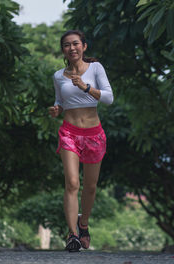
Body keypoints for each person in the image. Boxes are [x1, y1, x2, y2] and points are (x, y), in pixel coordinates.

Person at [48, 30, 114, 252]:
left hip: (93, 134)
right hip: (69, 133)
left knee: (91, 187)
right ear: (63, 50)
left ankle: (83, 224)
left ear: (84, 46)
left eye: (76, 44)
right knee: (72, 183)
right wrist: (56, 108)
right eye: (67, 45)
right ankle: (72, 235)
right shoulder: (58, 76)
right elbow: (60, 100)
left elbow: (109, 98)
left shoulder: (95, 68)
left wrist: (86, 87)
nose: (72, 48)